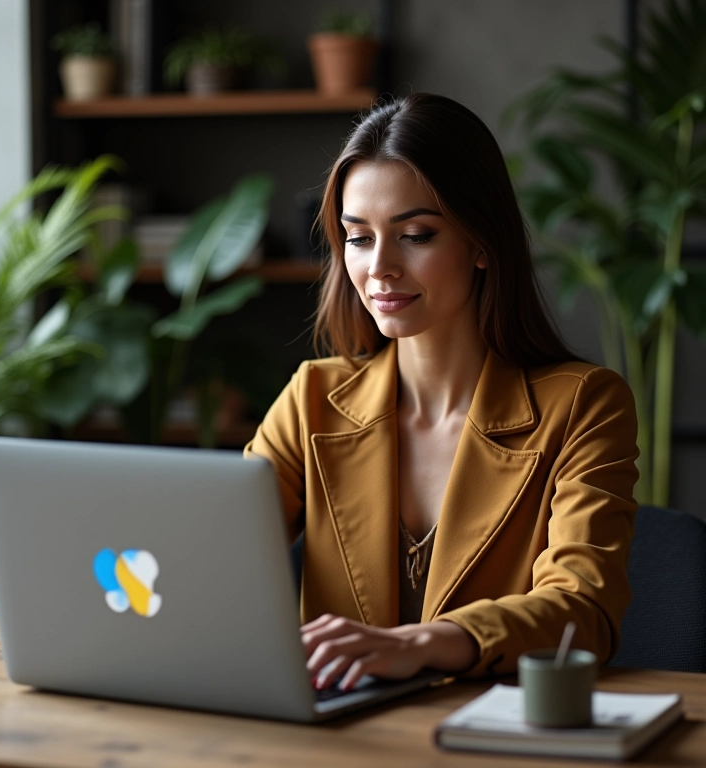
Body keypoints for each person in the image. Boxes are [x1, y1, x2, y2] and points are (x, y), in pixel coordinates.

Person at [244, 93, 638, 692]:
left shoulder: (584, 404)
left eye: (416, 235)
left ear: (482, 242)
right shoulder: (312, 399)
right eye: (357, 237)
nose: (379, 268)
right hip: (337, 739)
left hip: (492, 738)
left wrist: (420, 644)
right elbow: (217, 555)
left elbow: (581, 612)